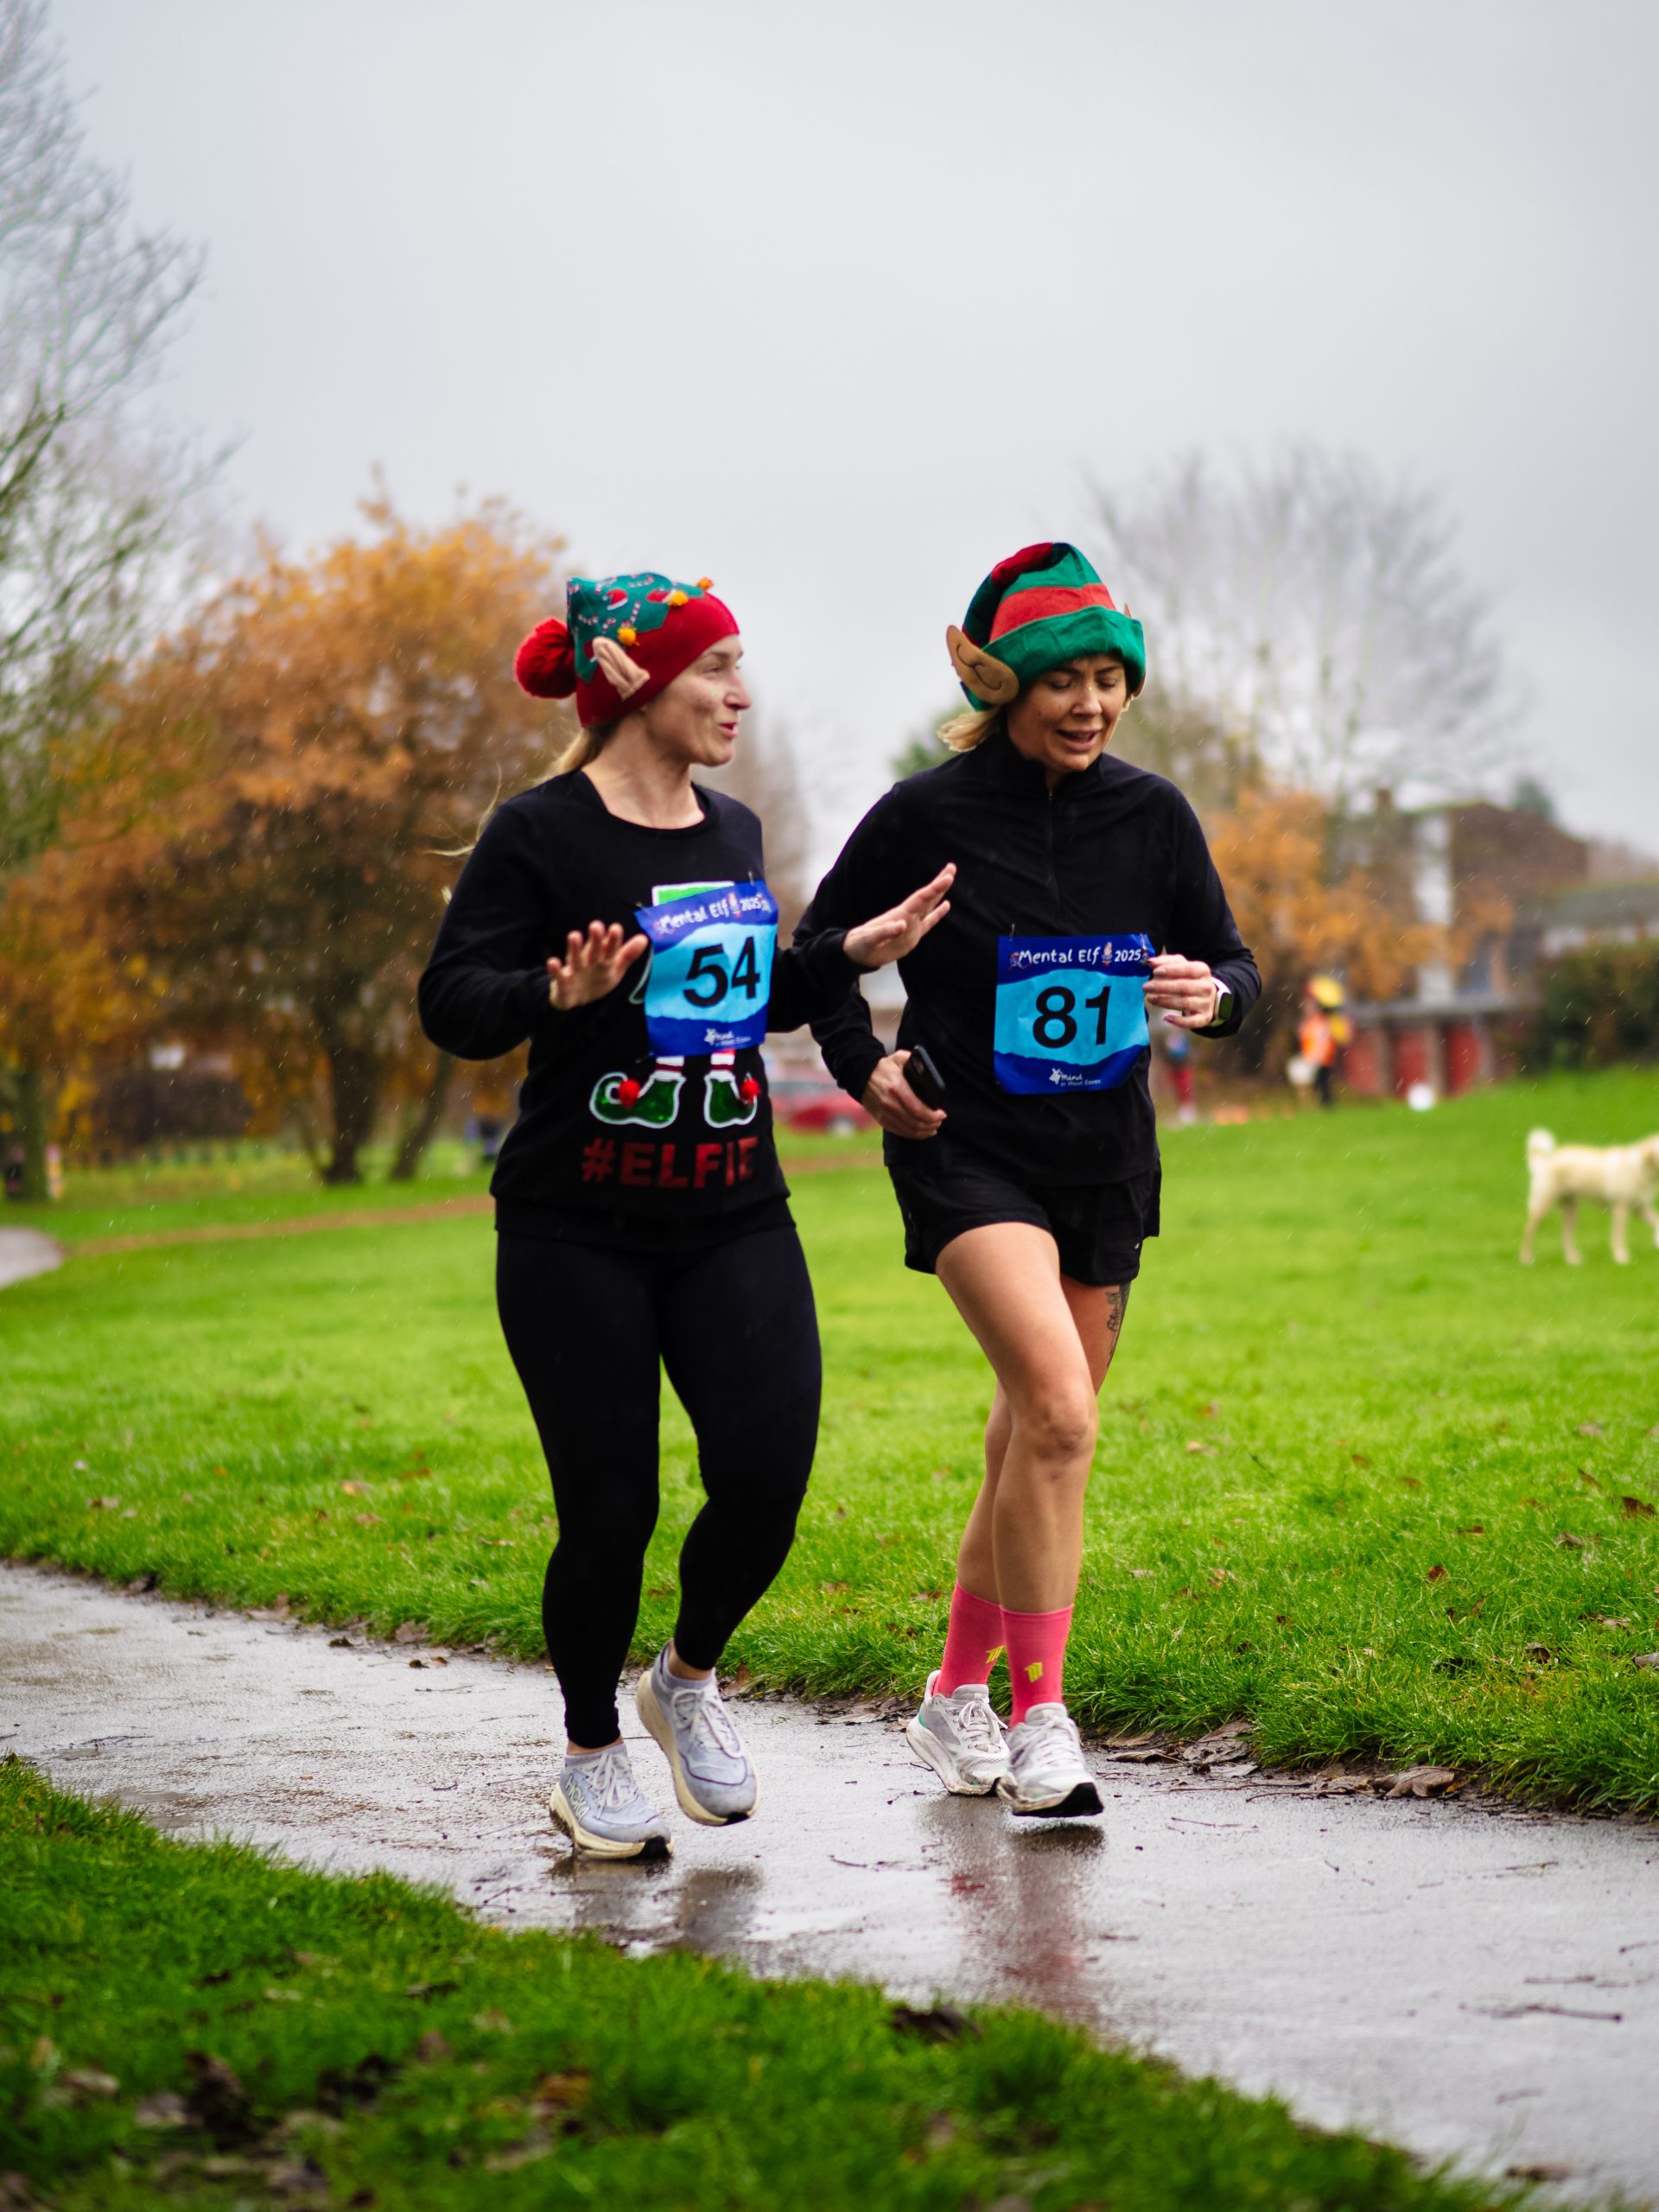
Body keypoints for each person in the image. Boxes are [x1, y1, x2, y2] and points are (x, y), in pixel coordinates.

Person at [418, 569, 951, 1859]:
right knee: (611, 1512)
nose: (738, 693)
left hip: (732, 1213)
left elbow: (745, 996)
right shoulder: (538, 834)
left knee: (766, 1481)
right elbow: (453, 1003)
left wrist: (849, 954)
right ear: (638, 683)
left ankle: (687, 1680)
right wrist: (555, 995)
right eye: (715, 668)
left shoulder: (733, 830)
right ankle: (590, 1747)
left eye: (736, 667)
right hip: (575, 1227)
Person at [796, 543, 1259, 1819]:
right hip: (965, 1147)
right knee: (1058, 1412)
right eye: (1065, 681)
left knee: (1029, 1433)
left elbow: (1232, 964)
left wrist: (1214, 997)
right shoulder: (923, 815)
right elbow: (818, 955)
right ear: (1005, 687)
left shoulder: (1155, 816)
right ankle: (1043, 1719)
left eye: (1111, 680)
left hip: (1102, 1162)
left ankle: (954, 1696)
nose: (1091, 705)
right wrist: (865, 1067)